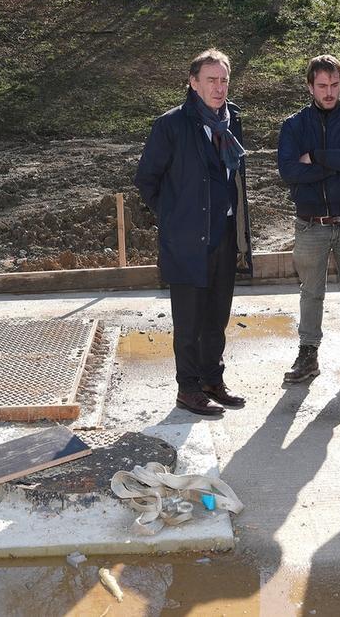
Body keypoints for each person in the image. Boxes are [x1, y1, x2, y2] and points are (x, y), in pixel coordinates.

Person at [134, 48, 254, 417]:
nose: (219, 88)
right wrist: (175, 218)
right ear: (193, 82)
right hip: (187, 241)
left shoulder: (231, 118)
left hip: (224, 235)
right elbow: (146, 180)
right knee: (188, 322)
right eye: (211, 80)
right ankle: (187, 389)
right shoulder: (170, 125)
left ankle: (211, 380)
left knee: (216, 317)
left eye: (224, 80)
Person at [276, 55, 340, 388]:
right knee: (310, 293)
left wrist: (317, 157)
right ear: (310, 86)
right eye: (322, 86)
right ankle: (308, 355)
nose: (329, 92)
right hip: (310, 224)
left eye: (335, 85)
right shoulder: (294, 126)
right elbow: (290, 171)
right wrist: (339, 163)